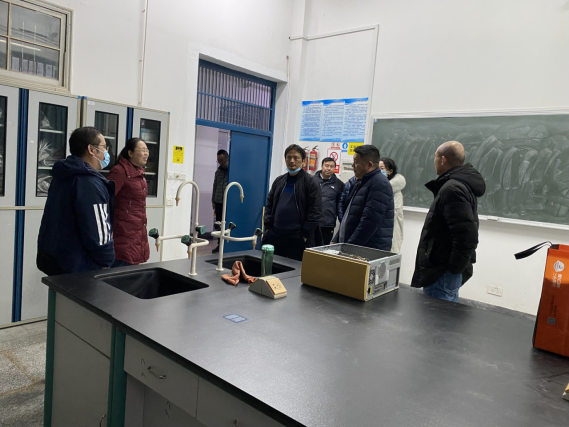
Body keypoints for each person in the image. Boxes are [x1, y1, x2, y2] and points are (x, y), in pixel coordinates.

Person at [411, 141, 486, 302]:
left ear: (443, 160)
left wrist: (454, 268)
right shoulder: (458, 184)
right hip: (444, 269)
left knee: (436, 315)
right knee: (445, 313)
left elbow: (466, 235)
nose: (434, 162)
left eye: (435, 157)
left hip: (441, 270)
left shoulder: (452, 188)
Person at [37, 127, 115, 275]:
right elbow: (98, 230)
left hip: (56, 257)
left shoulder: (63, 175)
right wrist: (106, 260)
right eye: (104, 147)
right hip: (80, 265)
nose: (106, 152)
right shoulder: (90, 183)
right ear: (91, 149)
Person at [263, 144, 322, 261]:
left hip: (297, 237)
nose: (292, 161)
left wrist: (305, 235)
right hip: (276, 235)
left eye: (296, 158)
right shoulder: (279, 181)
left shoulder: (310, 182)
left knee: (294, 270)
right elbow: (269, 204)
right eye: (289, 157)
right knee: (275, 267)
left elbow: (315, 210)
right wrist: (268, 227)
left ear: (303, 161)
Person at [333, 145, 394, 250]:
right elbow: (350, 216)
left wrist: (348, 248)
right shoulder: (360, 181)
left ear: (369, 165)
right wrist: (338, 238)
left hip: (368, 249)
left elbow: (369, 223)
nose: (353, 165)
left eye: (356, 162)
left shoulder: (379, 184)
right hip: (353, 246)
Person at [107, 137, 150, 267]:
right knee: (121, 271)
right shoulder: (120, 171)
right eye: (142, 150)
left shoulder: (139, 172)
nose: (146, 153)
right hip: (123, 233)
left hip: (137, 231)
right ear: (130, 153)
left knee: (132, 270)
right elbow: (106, 198)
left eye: (147, 150)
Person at [379, 158, 406, 253]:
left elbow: (391, 215)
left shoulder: (395, 192)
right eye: (377, 168)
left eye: (382, 168)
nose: (379, 171)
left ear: (390, 171)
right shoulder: (377, 186)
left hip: (390, 234)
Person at [316, 157, 344, 245]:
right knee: (309, 248)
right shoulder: (311, 180)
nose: (328, 168)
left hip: (327, 223)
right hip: (312, 222)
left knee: (323, 248)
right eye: (326, 165)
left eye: (331, 166)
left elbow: (340, 205)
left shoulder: (339, 184)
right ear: (321, 166)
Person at [211, 149, 229, 253]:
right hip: (218, 202)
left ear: (227, 158)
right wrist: (213, 201)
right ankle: (219, 245)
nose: (220, 162)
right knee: (218, 224)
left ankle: (227, 244)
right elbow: (215, 186)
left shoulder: (231, 171)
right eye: (218, 161)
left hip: (228, 202)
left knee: (226, 224)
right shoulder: (218, 172)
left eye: (222, 160)